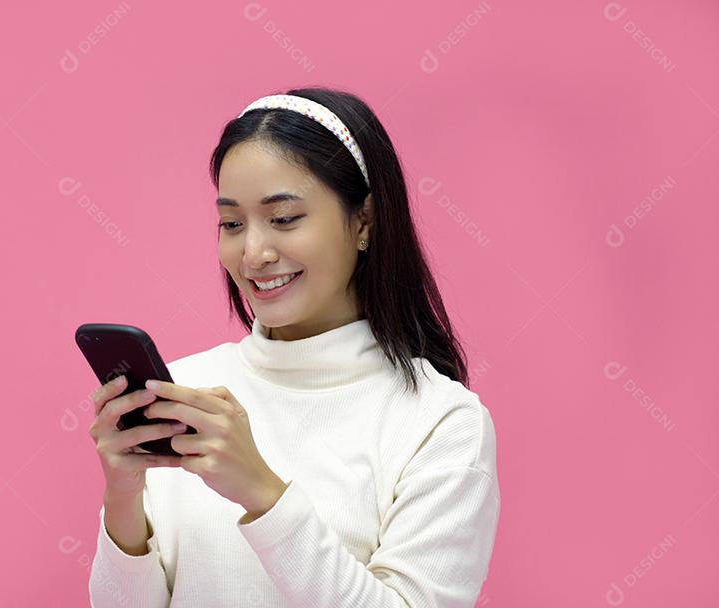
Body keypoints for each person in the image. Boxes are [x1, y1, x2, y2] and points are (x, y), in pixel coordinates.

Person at [87, 87, 500, 607]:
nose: (254, 253)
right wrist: (123, 499)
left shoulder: (441, 422)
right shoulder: (184, 393)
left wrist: (261, 494)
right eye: (232, 224)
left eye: (283, 219)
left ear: (364, 223)